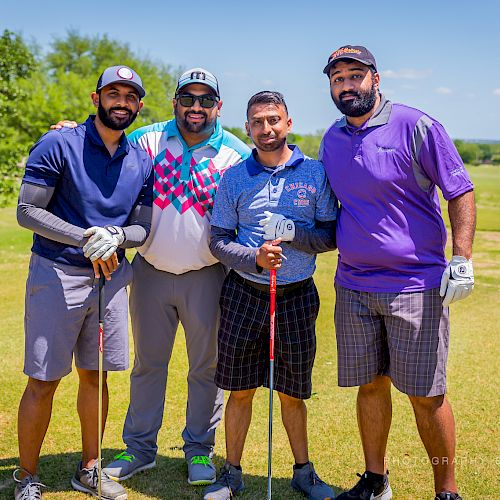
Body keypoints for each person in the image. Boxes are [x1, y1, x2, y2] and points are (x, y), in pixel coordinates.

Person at [319, 45, 475, 500]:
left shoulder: (416, 125)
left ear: (376, 78)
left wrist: (461, 258)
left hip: (416, 285)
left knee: (427, 396)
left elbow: (460, 191)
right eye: (337, 78)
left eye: (355, 75)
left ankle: (446, 489)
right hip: (353, 286)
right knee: (370, 387)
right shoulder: (331, 138)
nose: (346, 85)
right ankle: (375, 481)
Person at [99, 68, 252, 485]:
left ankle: (199, 450)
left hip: (207, 275)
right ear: (175, 103)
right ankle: (139, 448)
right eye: (188, 99)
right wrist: (70, 129)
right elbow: (101, 144)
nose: (196, 108)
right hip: (149, 270)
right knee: (148, 365)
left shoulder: (236, 154)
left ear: (218, 106)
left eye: (205, 100)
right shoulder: (147, 139)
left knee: (207, 369)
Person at [14, 66, 154, 500]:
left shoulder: (142, 160)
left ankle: (90, 469)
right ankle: (26, 476)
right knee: (43, 379)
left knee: (96, 377)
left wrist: (117, 237)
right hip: (58, 273)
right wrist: (85, 237)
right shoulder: (60, 143)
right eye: (113, 93)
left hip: (110, 280)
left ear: (139, 106)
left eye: (129, 96)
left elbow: (142, 227)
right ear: (96, 98)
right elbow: (27, 210)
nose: (121, 102)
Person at [204, 91, 337, 500]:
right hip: (245, 292)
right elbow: (218, 241)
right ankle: (231, 473)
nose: (267, 129)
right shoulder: (235, 177)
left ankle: (303, 472)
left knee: (292, 391)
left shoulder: (314, 173)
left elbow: (331, 235)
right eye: (258, 122)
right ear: (247, 128)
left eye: (274, 120)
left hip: (296, 296)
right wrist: (255, 258)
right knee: (239, 389)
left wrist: (295, 234)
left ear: (288, 123)